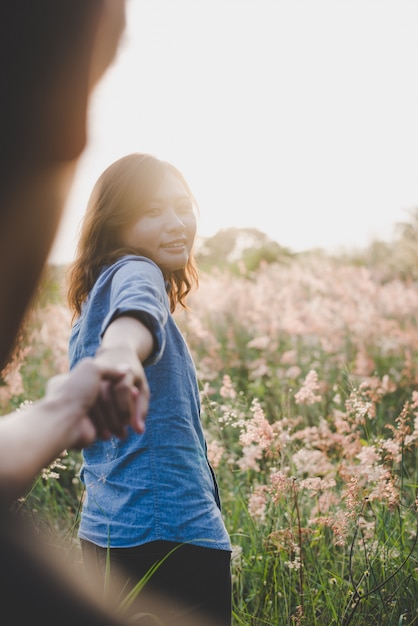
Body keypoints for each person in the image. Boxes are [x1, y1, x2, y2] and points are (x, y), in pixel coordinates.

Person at [66, 152, 233, 626]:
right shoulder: (137, 272)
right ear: (116, 224)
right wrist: (121, 352)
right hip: (170, 534)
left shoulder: (87, 307)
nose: (177, 223)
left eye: (182, 207)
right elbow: (136, 315)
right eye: (153, 212)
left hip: (107, 530)